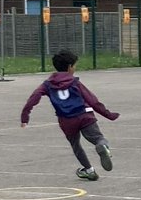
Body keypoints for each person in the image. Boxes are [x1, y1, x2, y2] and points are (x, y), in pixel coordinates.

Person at [20, 49, 119, 181]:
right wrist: (109, 115)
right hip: (84, 115)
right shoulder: (75, 82)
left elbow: (33, 99)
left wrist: (25, 116)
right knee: (97, 138)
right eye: (74, 65)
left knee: (76, 145)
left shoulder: (47, 85)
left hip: (66, 121)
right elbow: (93, 101)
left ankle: (89, 170)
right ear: (69, 67)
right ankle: (103, 146)